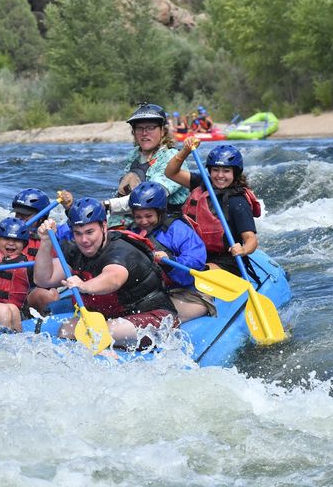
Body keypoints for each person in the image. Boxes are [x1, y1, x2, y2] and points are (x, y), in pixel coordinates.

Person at [33, 197, 177, 350]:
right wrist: (46, 242)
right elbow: (44, 279)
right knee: (66, 329)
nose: (84, 240)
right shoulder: (75, 251)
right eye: (78, 233)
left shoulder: (122, 251)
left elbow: (113, 278)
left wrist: (84, 286)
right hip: (112, 317)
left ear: (104, 226)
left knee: (98, 332)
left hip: (157, 317)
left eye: (90, 232)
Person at [164, 138, 262, 277]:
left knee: (194, 274)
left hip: (226, 260)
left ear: (235, 173)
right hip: (194, 251)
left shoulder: (238, 202)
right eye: (215, 170)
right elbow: (170, 173)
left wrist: (243, 250)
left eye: (226, 171)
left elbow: (251, 239)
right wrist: (185, 150)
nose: (220, 175)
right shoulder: (203, 184)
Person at [127, 181, 215, 322]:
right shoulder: (132, 231)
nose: (143, 221)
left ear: (160, 212)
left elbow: (196, 260)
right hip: (151, 291)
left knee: (199, 307)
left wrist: (170, 262)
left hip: (183, 290)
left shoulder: (177, 229)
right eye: (138, 217)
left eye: (148, 216)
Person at [0, 188, 72, 315]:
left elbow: (77, 230)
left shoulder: (54, 232)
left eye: (25, 215)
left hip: (34, 290)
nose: (20, 219)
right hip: (7, 289)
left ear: (42, 217)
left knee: (49, 295)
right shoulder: (1, 233)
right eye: (18, 214)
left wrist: (69, 208)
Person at [105, 102, 190, 228]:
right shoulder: (134, 156)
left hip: (166, 224)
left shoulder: (172, 158)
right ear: (134, 132)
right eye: (139, 128)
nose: (144, 133)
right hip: (135, 220)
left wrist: (107, 205)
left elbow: (150, 197)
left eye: (150, 127)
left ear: (162, 131)